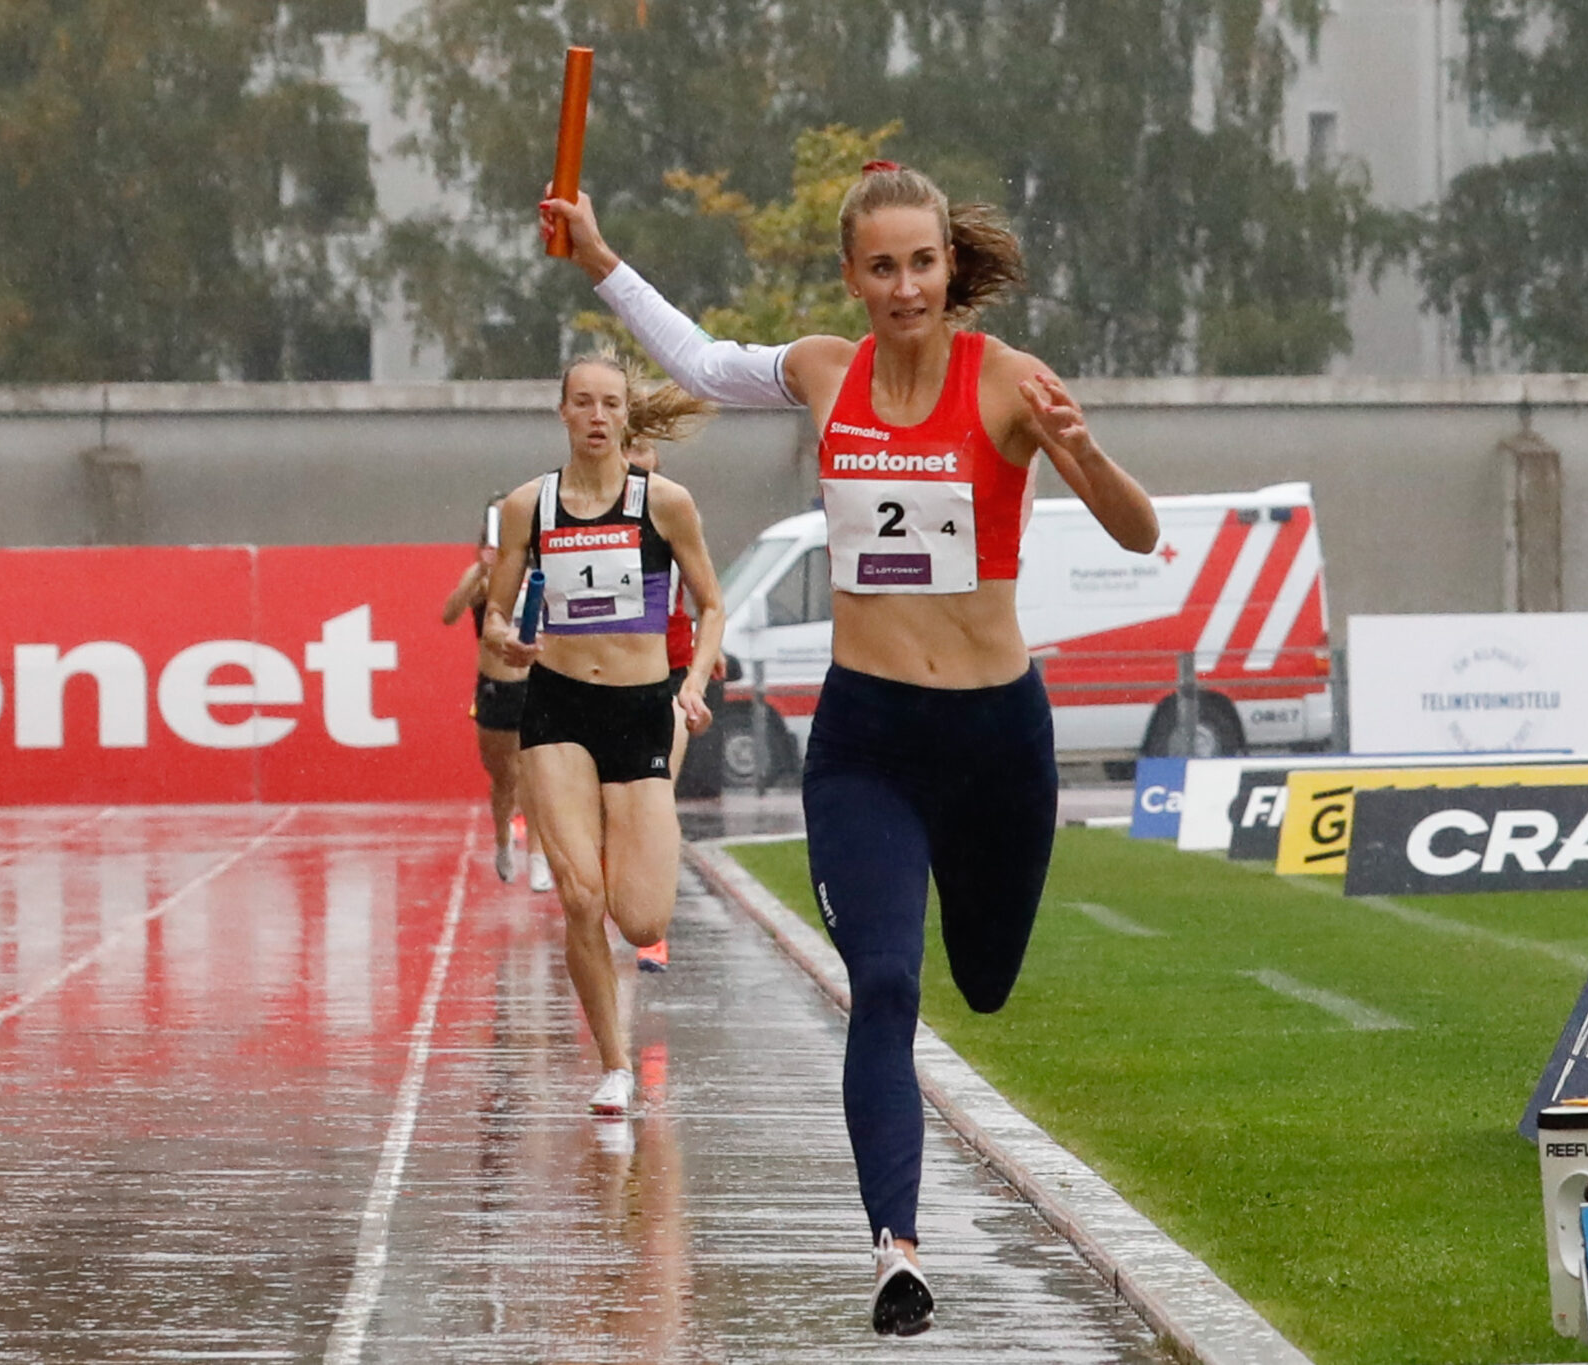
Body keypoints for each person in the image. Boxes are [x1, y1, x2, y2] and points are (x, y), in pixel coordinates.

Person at [542, 160, 1158, 1336]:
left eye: (920, 263)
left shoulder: (1011, 383)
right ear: (851, 276)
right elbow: (701, 362)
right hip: (868, 736)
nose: (902, 286)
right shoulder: (830, 373)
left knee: (980, 981)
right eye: (879, 267)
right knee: (881, 984)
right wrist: (599, 258)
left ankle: (910, 1192)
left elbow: (1134, 532)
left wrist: (1079, 454)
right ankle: (896, 1248)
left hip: (994, 739)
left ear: (948, 268)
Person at [481, 351, 727, 1119]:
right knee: (581, 896)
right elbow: (494, 615)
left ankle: (631, 832)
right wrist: (509, 641)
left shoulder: (665, 503)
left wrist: (692, 682)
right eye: (581, 402)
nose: (595, 416)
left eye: (609, 404)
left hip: (642, 709)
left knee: (642, 917)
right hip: (557, 710)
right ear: (562, 412)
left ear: (627, 416)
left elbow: (712, 605)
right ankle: (614, 1064)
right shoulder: (531, 506)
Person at [624, 433, 724, 975]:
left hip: (671, 671)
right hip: (608, 679)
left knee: (657, 797)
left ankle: (653, 931)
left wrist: (711, 654)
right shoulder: (580, 508)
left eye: (643, 448)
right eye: (626, 447)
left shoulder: (670, 504)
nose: (634, 459)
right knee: (610, 807)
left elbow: (703, 591)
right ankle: (612, 902)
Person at [439, 500, 554, 892]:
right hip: (494, 685)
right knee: (503, 778)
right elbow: (449, 614)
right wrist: (479, 577)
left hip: (535, 684)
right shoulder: (482, 576)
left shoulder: (541, 570)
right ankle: (504, 839)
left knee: (535, 776)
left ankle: (538, 855)